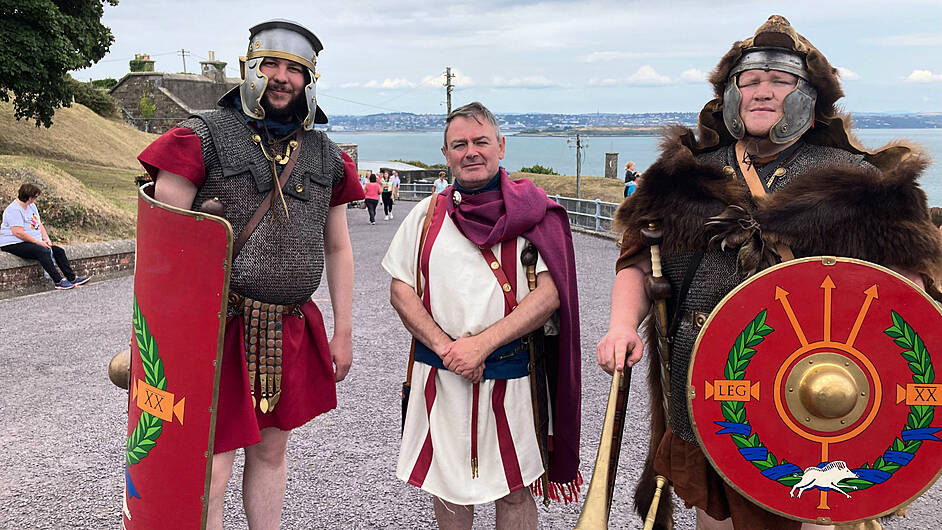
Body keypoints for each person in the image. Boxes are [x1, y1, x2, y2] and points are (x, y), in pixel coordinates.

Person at [596, 15, 942, 530]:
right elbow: (639, 262)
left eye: (780, 81)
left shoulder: (857, 180)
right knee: (712, 518)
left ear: (808, 96)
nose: (763, 92)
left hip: (823, 395)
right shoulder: (688, 174)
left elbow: (906, 285)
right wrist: (622, 325)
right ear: (731, 95)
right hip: (710, 394)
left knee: (818, 510)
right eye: (750, 81)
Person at [136, 20, 363, 529]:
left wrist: (344, 329)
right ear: (250, 68)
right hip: (217, 328)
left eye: (294, 69)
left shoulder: (326, 156)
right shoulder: (201, 137)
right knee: (211, 466)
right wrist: (166, 337)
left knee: (271, 454)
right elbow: (165, 248)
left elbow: (339, 246)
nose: (281, 77)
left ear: (308, 81)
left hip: (289, 326)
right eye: (271, 64)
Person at [383, 102, 583, 529]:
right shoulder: (425, 216)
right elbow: (401, 289)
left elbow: (549, 294)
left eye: (480, 142)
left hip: (512, 376)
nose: (471, 152)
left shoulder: (534, 213)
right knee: (449, 490)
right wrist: (448, 348)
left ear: (501, 147)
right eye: (459, 145)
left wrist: (481, 346)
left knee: (513, 489)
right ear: (446, 153)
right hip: (440, 374)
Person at [0, 183, 90, 290]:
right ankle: (58, 281)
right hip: (14, 243)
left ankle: (72, 278)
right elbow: (18, 232)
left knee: (58, 251)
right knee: (42, 251)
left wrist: (46, 239)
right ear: (29, 197)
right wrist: (38, 243)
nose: (36, 200)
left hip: (32, 241)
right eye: (35, 197)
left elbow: (38, 224)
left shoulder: (32, 206)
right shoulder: (14, 210)